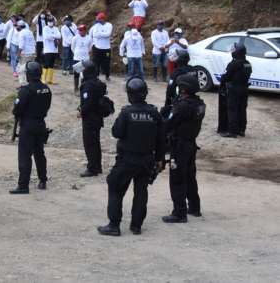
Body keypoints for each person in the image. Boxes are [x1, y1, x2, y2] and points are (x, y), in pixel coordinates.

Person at [97, 78, 165, 236]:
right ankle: (136, 226)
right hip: (147, 159)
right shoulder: (154, 113)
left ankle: (114, 225)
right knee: (141, 191)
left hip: (127, 159)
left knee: (115, 187)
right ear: (145, 93)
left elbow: (116, 132)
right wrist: (159, 160)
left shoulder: (127, 113)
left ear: (129, 95)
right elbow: (161, 140)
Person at [162, 74, 205, 224]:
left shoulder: (183, 106)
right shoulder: (199, 104)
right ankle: (194, 207)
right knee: (190, 177)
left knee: (177, 179)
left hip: (179, 146)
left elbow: (169, 124)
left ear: (184, 89)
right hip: (190, 144)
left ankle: (179, 213)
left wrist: (163, 116)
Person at [10, 62, 51, 194]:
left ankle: (23, 185)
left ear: (29, 75)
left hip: (28, 125)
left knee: (25, 155)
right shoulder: (46, 89)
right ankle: (43, 180)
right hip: (41, 124)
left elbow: (17, 110)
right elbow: (47, 106)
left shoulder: (25, 90)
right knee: (39, 154)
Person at [78, 60, 106, 177]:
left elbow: (88, 103)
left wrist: (81, 111)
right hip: (97, 117)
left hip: (90, 118)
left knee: (89, 144)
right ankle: (97, 166)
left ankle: (92, 168)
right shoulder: (97, 82)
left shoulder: (89, 85)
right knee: (95, 143)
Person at [218, 42, 252, 138]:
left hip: (234, 90)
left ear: (236, 52)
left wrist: (223, 78)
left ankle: (232, 131)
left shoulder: (233, 64)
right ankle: (242, 130)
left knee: (232, 110)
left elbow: (225, 77)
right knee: (242, 109)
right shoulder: (247, 63)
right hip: (244, 89)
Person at [90, 12, 113, 81]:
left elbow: (108, 34)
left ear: (103, 19)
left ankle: (107, 76)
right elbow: (93, 35)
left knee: (107, 63)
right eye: (97, 19)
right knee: (96, 63)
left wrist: (99, 34)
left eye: (99, 19)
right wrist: (102, 35)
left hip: (106, 48)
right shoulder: (95, 26)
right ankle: (96, 76)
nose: (98, 20)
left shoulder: (109, 25)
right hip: (97, 48)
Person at [71, 24, 93, 92]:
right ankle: (76, 88)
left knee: (85, 74)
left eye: (82, 30)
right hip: (77, 58)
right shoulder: (75, 38)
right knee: (76, 74)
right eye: (79, 30)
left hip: (85, 58)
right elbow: (72, 48)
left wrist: (85, 52)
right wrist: (77, 53)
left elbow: (90, 48)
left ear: (85, 31)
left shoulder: (89, 38)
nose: (80, 31)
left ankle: (83, 88)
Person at [42, 17, 61, 85]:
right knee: (46, 64)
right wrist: (54, 37)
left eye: (51, 21)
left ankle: (50, 79)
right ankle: (43, 79)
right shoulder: (45, 28)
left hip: (54, 49)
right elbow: (47, 37)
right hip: (48, 49)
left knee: (52, 64)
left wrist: (52, 36)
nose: (50, 22)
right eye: (49, 21)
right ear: (47, 22)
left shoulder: (56, 28)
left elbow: (59, 36)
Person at [16, 20, 37, 85]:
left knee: (21, 70)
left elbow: (21, 45)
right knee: (30, 70)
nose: (16, 27)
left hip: (25, 54)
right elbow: (34, 43)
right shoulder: (30, 32)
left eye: (17, 26)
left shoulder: (21, 33)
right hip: (32, 53)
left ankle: (23, 85)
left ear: (19, 26)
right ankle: (30, 84)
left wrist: (18, 54)